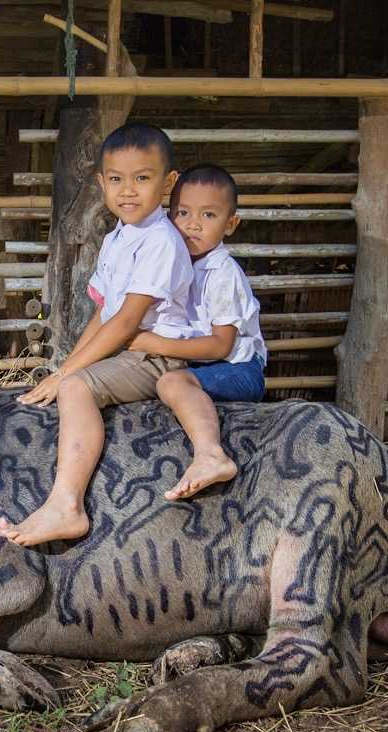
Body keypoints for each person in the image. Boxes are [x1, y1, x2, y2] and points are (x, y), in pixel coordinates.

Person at [0, 123, 196, 547]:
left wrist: (69, 376)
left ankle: (67, 505)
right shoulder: (116, 239)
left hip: (155, 355)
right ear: (101, 183)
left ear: (168, 183)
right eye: (117, 179)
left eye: (143, 178)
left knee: (75, 390)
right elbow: (104, 313)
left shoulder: (160, 240)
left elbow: (126, 323)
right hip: (127, 351)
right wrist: (66, 364)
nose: (128, 190)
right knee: (67, 379)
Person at [127, 164, 267, 500]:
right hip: (205, 364)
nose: (193, 224)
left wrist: (156, 343)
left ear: (230, 224)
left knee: (171, 381)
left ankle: (210, 455)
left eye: (208, 215)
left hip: (239, 368)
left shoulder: (223, 274)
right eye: (183, 213)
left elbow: (221, 346)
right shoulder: (177, 262)